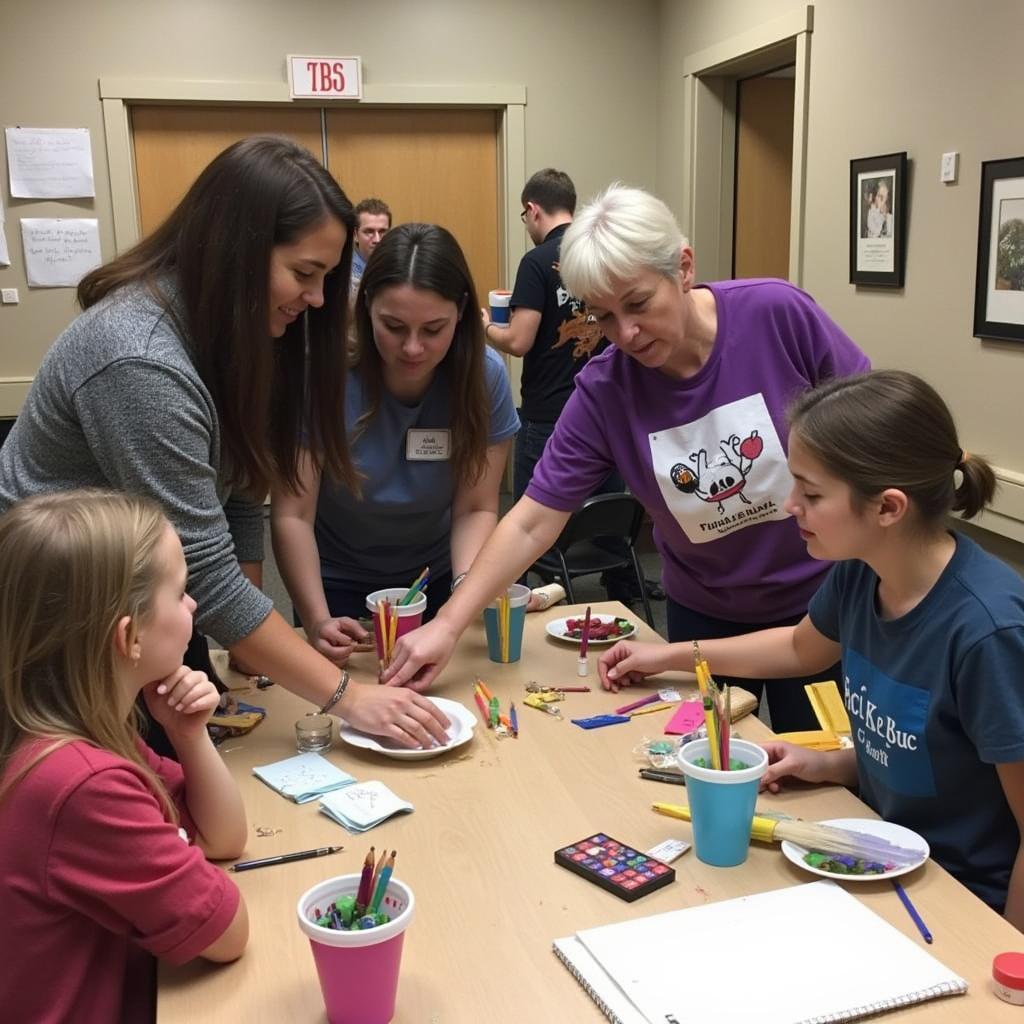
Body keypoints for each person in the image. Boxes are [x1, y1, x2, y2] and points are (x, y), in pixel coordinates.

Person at [0, 135, 449, 750]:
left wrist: (246, 648)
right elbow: (205, 570)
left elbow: (240, 498)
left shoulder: (238, 337)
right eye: (303, 274)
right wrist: (351, 698)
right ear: (238, 251)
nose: (317, 298)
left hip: (137, 607)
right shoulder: (141, 359)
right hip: (59, 629)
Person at [383, 183, 869, 733]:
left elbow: (871, 433)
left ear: (683, 268)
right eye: (604, 317)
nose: (627, 334)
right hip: (703, 617)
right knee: (706, 771)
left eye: (638, 304)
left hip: (826, 605)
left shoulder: (777, 314)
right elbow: (532, 521)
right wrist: (448, 624)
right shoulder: (605, 388)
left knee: (828, 772)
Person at [599, 370, 1024, 927]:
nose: (788, 504)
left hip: (963, 901)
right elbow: (801, 649)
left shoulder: (988, 633)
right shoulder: (860, 573)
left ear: (888, 508)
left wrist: (1007, 963)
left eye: (812, 492)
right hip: (877, 859)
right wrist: (674, 656)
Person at [0, 490, 249, 1022]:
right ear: (129, 636)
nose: (194, 607)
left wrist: (187, 733)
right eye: (181, 593)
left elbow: (223, 837)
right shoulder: (78, 783)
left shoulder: (79, 732)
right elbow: (228, 933)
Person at [272, 223, 519, 665]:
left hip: (436, 579)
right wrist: (315, 618)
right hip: (333, 584)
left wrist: (464, 593)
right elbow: (293, 512)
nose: (412, 348)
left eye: (433, 329)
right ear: (366, 307)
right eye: (393, 326)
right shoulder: (321, 376)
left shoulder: (484, 376)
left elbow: (476, 507)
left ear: (461, 311)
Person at [350, 197, 392, 298]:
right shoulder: (344, 273)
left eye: (382, 232)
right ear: (355, 235)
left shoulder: (398, 265)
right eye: (369, 232)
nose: (377, 240)